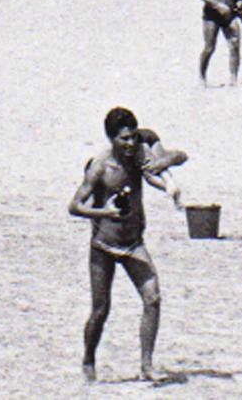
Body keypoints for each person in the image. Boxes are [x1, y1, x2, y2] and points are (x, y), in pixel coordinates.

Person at [69, 106, 165, 384]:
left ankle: (146, 366)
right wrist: (105, 214)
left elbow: (178, 157)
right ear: (111, 139)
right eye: (124, 139)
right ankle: (88, 358)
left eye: (133, 137)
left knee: (153, 298)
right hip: (103, 246)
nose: (130, 143)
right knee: (101, 310)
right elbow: (74, 206)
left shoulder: (138, 157)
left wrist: (163, 163)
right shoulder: (100, 167)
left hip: (134, 243)